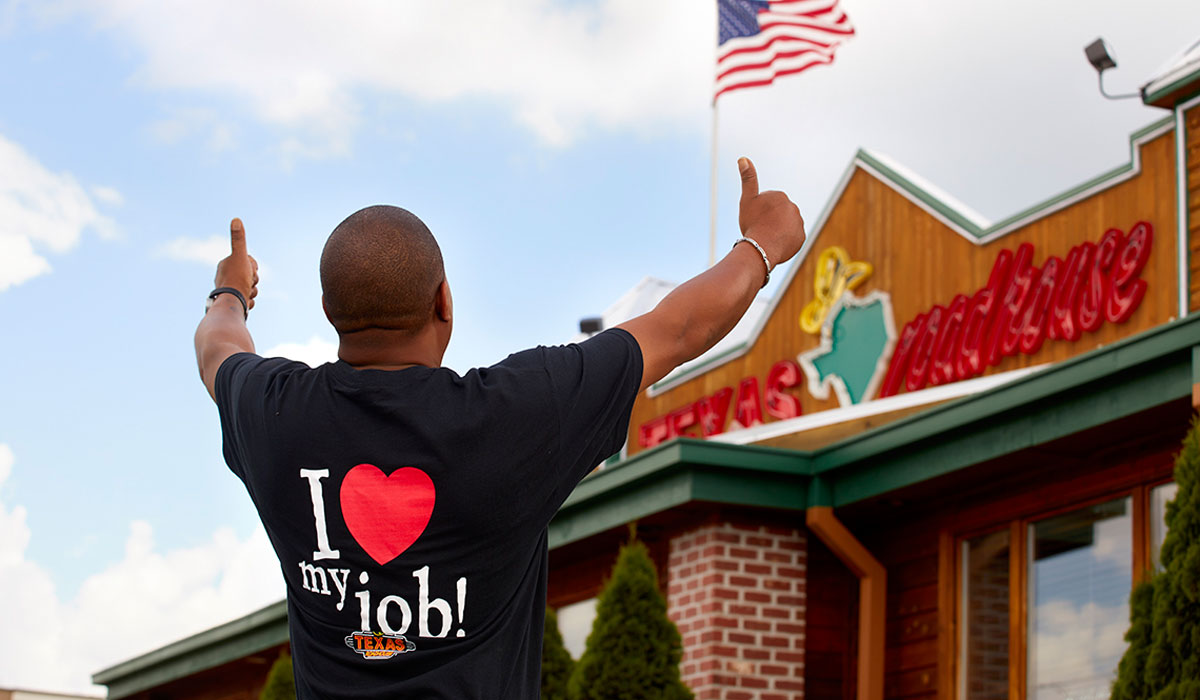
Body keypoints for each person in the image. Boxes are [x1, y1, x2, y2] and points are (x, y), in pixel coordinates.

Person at [194, 157, 805, 699]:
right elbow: (678, 329)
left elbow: (217, 347)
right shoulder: (519, 411)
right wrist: (762, 244)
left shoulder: (274, 414)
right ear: (445, 302)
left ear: (329, 311)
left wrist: (231, 290)